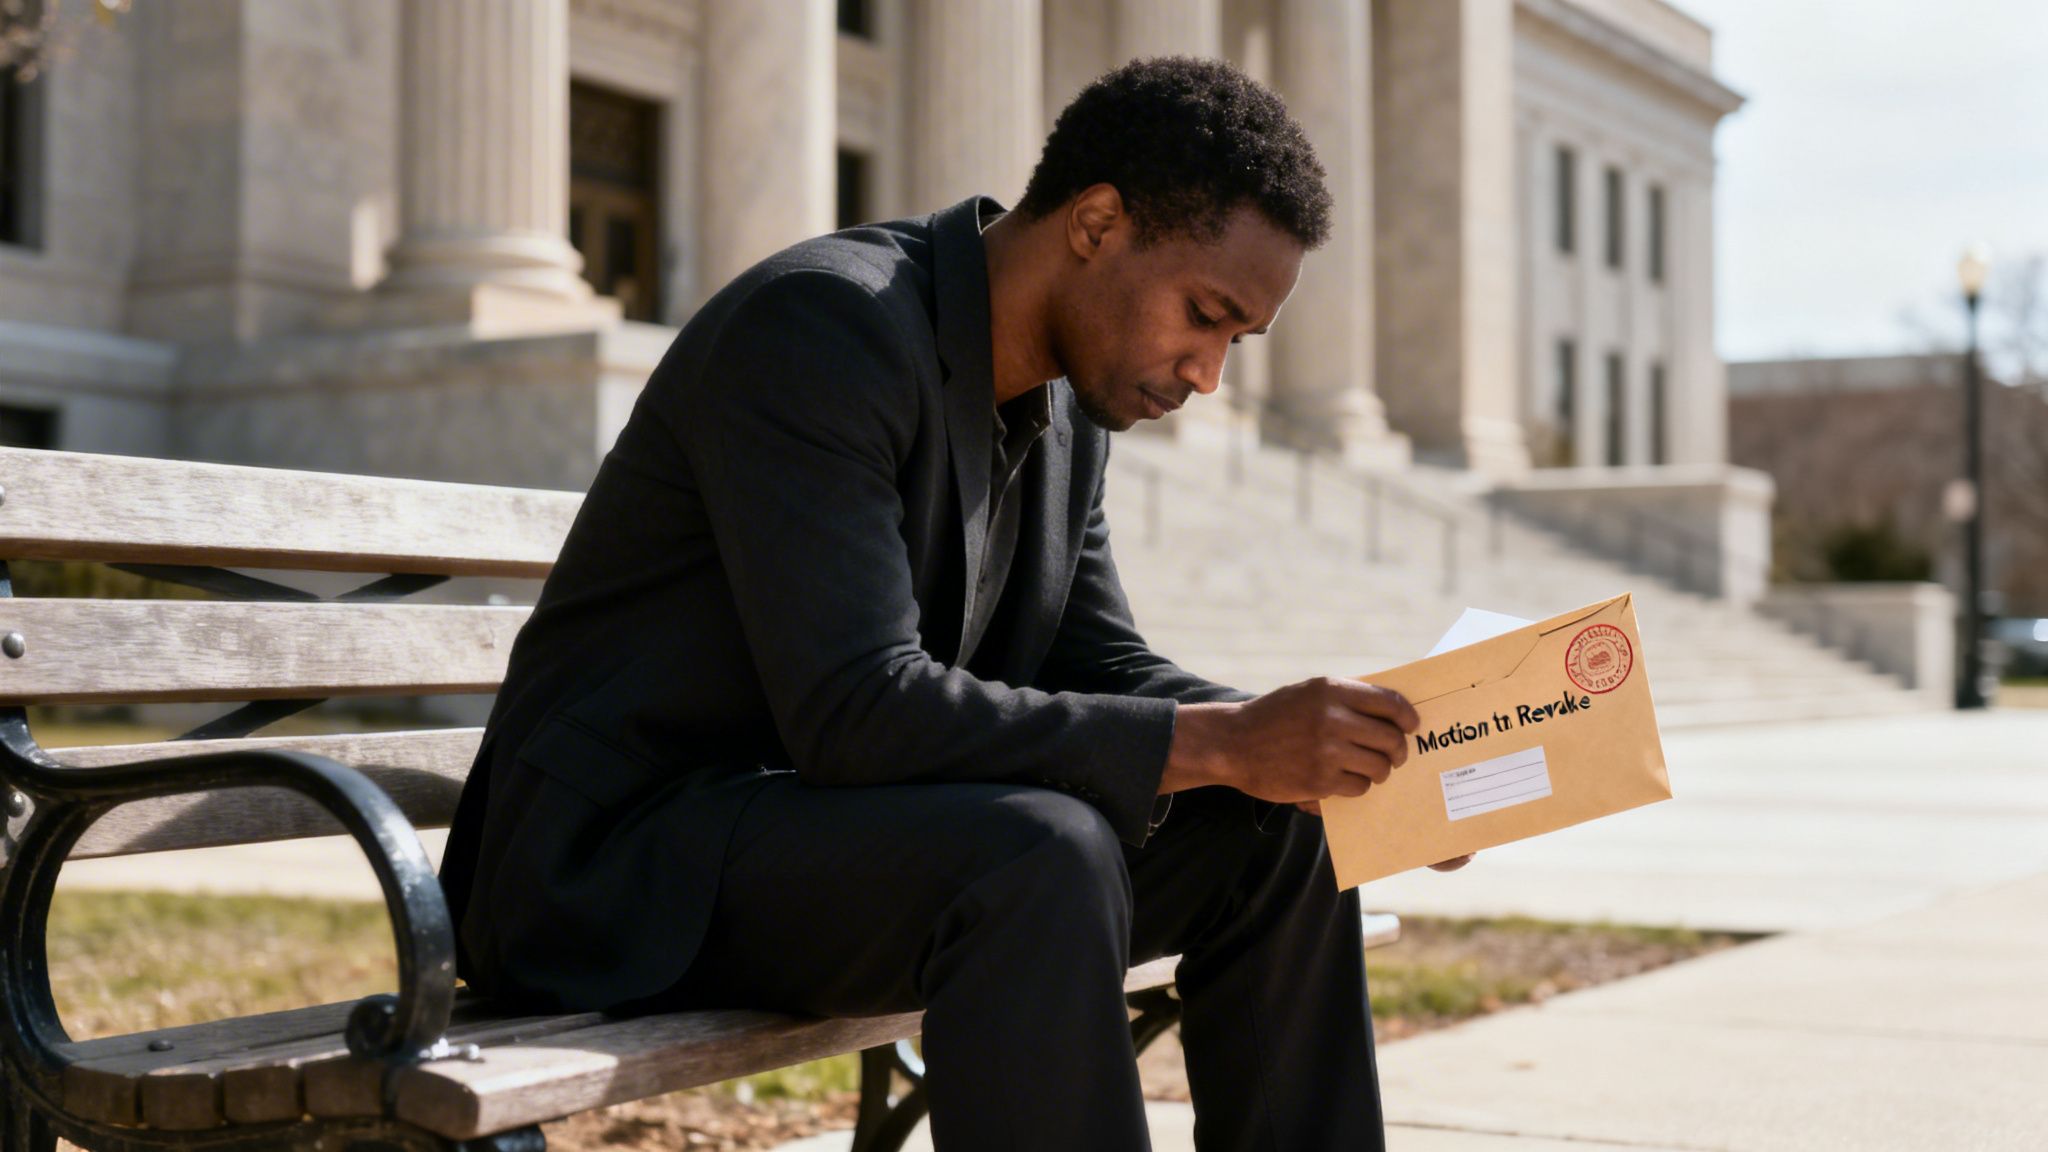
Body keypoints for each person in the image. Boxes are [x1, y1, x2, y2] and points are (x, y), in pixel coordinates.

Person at [439, 57, 1467, 1151]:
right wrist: (1220, 740)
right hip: (615, 867)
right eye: (1204, 315)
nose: (1206, 372)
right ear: (1095, 223)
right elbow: (855, 708)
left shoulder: (1069, 410)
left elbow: (1098, 659)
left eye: (1236, 340)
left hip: (819, 838)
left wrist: (1326, 756)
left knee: (1279, 834)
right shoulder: (824, 328)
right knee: (1037, 853)